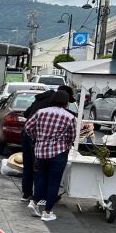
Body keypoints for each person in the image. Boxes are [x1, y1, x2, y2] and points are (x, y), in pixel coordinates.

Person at [23, 90, 76, 222]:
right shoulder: (69, 117)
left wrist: (37, 138)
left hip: (40, 151)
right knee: (54, 182)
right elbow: (72, 136)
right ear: (66, 102)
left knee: (41, 177)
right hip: (58, 152)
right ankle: (47, 212)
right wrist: (65, 143)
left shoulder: (41, 112)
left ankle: (34, 202)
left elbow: (28, 127)